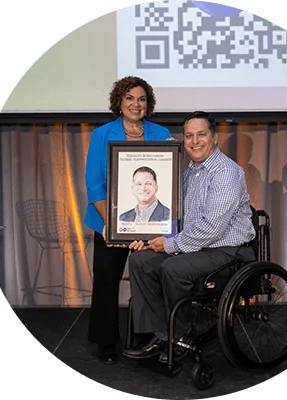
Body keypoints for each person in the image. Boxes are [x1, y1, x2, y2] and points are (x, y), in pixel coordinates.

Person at [122, 111, 257, 363]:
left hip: (228, 251)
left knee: (174, 268)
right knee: (140, 261)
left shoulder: (225, 172)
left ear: (214, 138)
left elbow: (212, 228)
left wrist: (170, 245)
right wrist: (146, 237)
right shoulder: (187, 174)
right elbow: (174, 218)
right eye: (189, 136)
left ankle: (181, 337)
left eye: (201, 134)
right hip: (197, 248)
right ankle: (162, 334)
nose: (195, 141)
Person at [84, 76, 172, 364]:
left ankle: (148, 336)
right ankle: (106, 342)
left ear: (149, 104)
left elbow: (170, 182)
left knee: (148, 278)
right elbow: (95, 184)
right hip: (109, 222)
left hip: (152, 224)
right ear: (119, 102)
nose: (136, 104)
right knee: (107, 279)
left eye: (142, 99)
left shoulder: (161, 134)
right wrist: (111, 223)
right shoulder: (102, 134)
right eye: (130, 98)